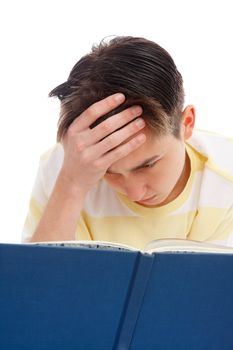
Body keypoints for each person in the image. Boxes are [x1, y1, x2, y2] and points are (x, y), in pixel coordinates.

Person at [22, 36, 233, 248]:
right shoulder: (67, 168)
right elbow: (38, 278)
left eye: (148, 164)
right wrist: (72, 184)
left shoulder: (225, 178)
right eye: (109, 172)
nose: (134, 193)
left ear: (186, 123)